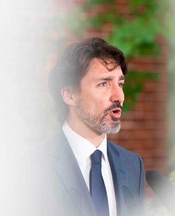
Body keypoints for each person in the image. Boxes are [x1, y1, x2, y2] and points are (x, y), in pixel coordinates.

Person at [24, 37, 145, 216]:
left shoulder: (133, 165)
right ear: (69, 95)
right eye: (103, 84)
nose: (118, 96)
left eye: (120, 84)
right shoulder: (31, 167)